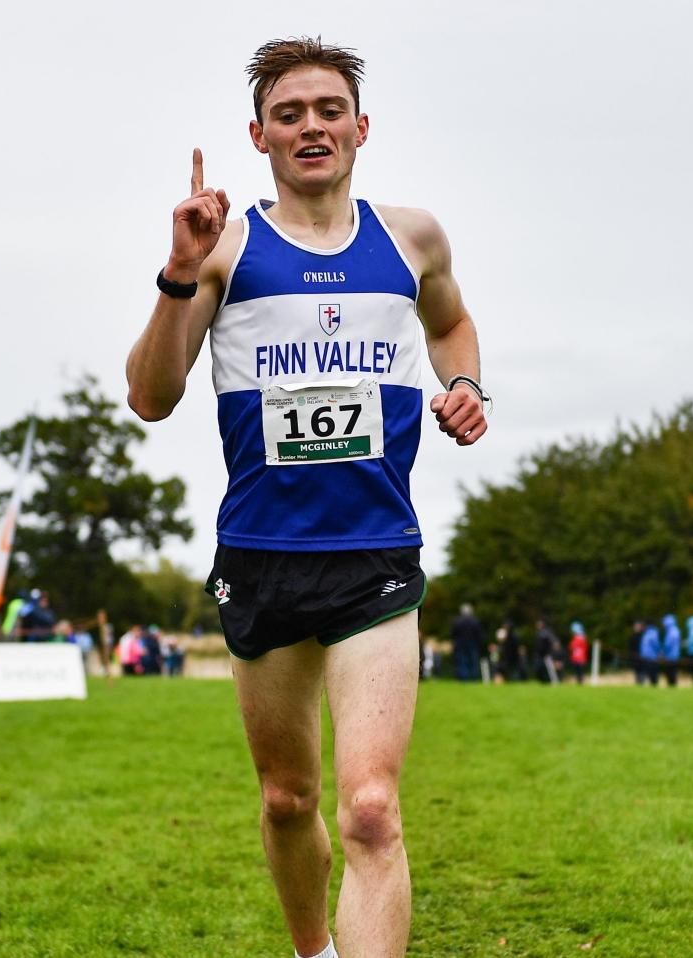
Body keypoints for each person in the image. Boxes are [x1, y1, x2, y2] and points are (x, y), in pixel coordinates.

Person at [121, 38, 490, 958]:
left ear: (360, 128)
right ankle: (311, 951)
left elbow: (450, 323)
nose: (312, 126)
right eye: (290, 114)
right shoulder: (227, 249)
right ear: (260, 136)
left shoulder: (412, 238)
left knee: (370, 809)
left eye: (329, 110)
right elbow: (150, 398)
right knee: (289, 799)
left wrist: (468, 389)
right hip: (261, 556)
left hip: (374, 554)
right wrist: (178, 270)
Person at [449, 603, 486, 683]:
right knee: (473, 661)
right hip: (473, 644)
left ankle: (463, 678)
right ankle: (473, 678)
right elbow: (479, 635)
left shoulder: (457, 621)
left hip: (460, 645)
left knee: (462, 661)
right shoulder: (475, 621)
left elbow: (453, 634)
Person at [531, 618, 562, 684]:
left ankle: (555, 682)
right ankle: (543, 681)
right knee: (539, 668)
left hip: (546, 654)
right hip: (539, 655)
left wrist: (550, 651)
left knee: (551, 669)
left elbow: (552, 641)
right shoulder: (538, 633)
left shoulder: (547, 632)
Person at [631, 620, 658, 686]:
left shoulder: (646, 634)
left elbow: (655, 645)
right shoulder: (637, 636)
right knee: (641, 673)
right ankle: (641, 684)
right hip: (641, 658)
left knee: (649, 673)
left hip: (648, 658)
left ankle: (647, 684)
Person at [660, 614, 682, 686]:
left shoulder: (671, 632)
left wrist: (663, 652)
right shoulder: (676, 630)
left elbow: (668, 644)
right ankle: (673, 687)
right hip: (675, 655)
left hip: (670, 656)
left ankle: (671, 686)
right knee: (673, 672)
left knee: (670, 673)